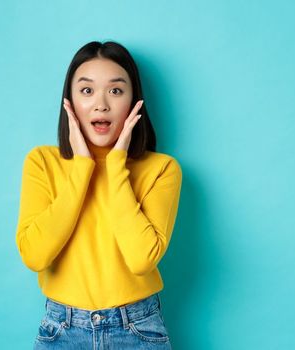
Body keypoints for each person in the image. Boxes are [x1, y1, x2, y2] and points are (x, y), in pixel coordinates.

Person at [15, 41, 182, 349]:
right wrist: (82, 167)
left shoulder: (162, 169)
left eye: (116, 91)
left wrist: (116, 164)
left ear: (135, 102)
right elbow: (35, 255)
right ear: (70, 101)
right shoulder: (42, 163)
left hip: (137, 329)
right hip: (62, 329)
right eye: (87, 91)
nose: (101, 104)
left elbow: (141, 259)